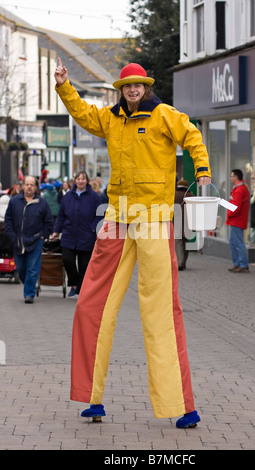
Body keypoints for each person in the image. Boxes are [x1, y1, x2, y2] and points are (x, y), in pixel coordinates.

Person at [54, 59, 211, 428]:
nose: (133, 90)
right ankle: (92, 397)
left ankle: (182, 405)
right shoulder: (110, 119)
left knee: (160, 312)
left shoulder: (164, 115)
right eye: (127, 86)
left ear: (146, 87)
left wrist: (201, 172)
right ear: (121, 90)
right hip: (117, 220)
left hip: (155, 220)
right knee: (90, 304)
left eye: (138, 85)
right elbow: (83, 113)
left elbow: (193, 137)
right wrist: (64, 86)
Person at [52, 171, 103, 297]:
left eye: (83, 179)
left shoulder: (94, 197)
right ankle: (74, 284)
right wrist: (56, 231)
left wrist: (93, 229)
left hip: (86, 236)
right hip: (69, 234)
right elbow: (61, 216)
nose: (81, 181)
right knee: (67, 260)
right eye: (78, 179)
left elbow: (100, 215)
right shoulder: (68, 197)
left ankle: (81, 289)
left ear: (87, 181)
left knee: (84, 265)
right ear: (75, 181)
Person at [4, 176, 53, 303]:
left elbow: (49, 222)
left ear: (36, 187)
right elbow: (8, 220)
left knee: (32, 268)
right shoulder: (14, 201)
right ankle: (29, 284)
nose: (29, 187)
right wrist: (12, 236)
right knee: (20, 268)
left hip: (35, 240)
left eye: (32, 184)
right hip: (18, 241)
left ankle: (29, 294)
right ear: (23, 186)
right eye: (27, 184)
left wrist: (43, 235)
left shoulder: (42, 202)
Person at [226, 169, 250, 273]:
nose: (230, 178)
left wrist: (228, 212)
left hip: (237, 220)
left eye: (231, 176)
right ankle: (238, 264)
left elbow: (235, 207)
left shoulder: (239, 190)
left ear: (236, 177)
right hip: (236, 220)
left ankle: (242, 264)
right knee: (233, 243)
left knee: (238, 243)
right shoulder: (239, 189)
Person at [174, 179, 193, 270]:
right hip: (188, 223)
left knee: (178, 242)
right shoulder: (191, 196)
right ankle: (184, 261)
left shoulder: (174, 195)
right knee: (186, 242)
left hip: (176, 221)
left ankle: (180, 261)